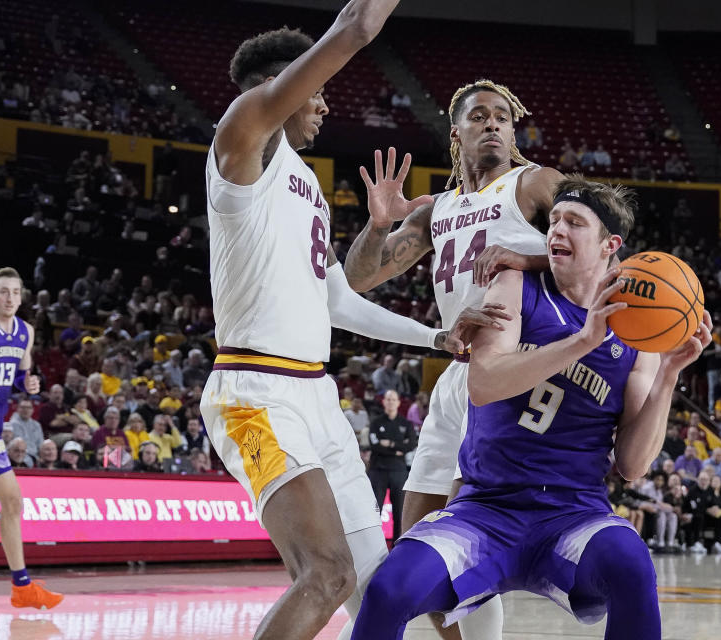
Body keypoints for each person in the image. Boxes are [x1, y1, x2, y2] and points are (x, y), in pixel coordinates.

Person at [198, 7, 500, 639]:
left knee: (377, 583)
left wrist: (433, 338)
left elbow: (338, 301)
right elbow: (356, 28)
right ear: (284, 87)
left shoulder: (306, 180)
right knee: (326, 574)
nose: (326, 106)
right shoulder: (242, 141)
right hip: (255, 394)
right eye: (318, 94)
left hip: (316, 395)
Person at [351, 177, 712, 640]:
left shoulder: (636, 335)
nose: (558, 230)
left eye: (575, 223)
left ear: (610, 246)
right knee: (389, 589)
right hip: (485, 507)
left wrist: (668, 377)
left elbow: (632, 465)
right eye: (555, 220)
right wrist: (582, 342)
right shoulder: (514, 283)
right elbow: (483, 384)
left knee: (632, 568)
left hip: (573, 512)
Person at [343, 79, 566, 637]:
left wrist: (524, 259)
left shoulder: (536, 182)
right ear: (456, 134)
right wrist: (377, 225)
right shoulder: (438, 209)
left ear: (513, 132)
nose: (492, 123)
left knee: (461, 543)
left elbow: (601, 253)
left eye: (502, 117)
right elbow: (358, 278)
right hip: (456, 377)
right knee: (416, 547)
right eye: (479, 117)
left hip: (513, 371)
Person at [0, 267, 62, 608]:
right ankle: (22, 587)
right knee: (12, 501)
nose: (10, 298)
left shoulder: (26, 333)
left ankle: (22, 588)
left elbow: (19, 376)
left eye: (16, 292)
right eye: (3, 292)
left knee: (10, 503)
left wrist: (28, 385)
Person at [366, 390, 416, 541]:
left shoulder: (405, 424)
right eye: (388, 399)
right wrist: (398, 448)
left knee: (399, 512)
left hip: (398, 471)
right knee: (375, 511)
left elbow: (412, 444)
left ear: (399, 402)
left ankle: (397, 545)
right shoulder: (376, 423)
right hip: (378, 471)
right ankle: (373, 545)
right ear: (383, 402)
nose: (391, 402)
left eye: (393, 399)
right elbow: (375, 446)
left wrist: (390, 444)